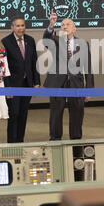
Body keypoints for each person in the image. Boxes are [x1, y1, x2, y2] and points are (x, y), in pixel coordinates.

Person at [43, 10, 94, 140]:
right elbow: (45, 39)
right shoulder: (55, 40)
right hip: (57, 82)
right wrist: (51, 25)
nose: (65, 26)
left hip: (76, 83)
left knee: (77, 113)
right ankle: (55, 139)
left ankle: (76, 139)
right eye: (63, 25)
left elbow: (88, 67)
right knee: (55, 114)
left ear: (74, 28)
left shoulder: (83, 44)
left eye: (68, 24)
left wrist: (89, 89)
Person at [2, 16, 41, 143]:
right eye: (18, 26)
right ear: (12, 27)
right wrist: (7, 88)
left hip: (27, 84)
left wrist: (36, 82)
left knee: (23, 114)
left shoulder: (30, 40)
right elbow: (4, 66)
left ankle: (20, 140)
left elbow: (34, 62)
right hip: (13, 85)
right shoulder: (5, 42)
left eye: (22, 25)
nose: (20, 28)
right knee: (14, 114)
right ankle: (12, 142)